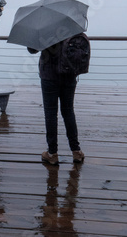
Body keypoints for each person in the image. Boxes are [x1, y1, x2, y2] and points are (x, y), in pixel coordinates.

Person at [28, 33, 90, 165]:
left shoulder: (45, 28)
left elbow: (32, 49)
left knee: (51, 114)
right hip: (69, 74)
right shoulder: (71, 25)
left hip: (49, 76)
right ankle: (76, 151)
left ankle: (52, 153)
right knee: (68, 112)